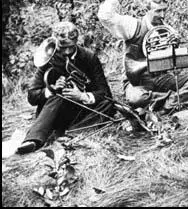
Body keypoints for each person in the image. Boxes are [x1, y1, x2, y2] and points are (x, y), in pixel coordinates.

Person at [97, 0, 188, 112]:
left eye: (164, 10)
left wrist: (178, 51)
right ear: (146, 9)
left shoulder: (168, 29)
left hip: (162, 77)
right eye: (158, 11)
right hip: (139, 81)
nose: (162, 15)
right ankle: (177, 101)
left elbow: (175, 61)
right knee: (136, 98)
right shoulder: (133, 26)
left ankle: (166, 102)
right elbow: (104, 15)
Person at [17, 22, 115, 154]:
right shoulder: (48, 58)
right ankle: (33, 140)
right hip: (56, 111)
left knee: (108, 104)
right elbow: (32, 96)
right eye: (62, 47)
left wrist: (81, 96)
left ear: (76, 41)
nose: (67, 52)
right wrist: (50, 90)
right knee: (57, 95)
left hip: (82, 110)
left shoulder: (89, 57)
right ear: (55, 43)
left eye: (70, 47)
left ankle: (72, 134)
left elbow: (104, 92)